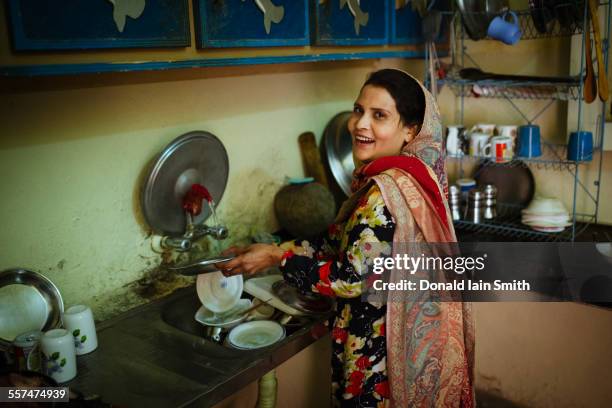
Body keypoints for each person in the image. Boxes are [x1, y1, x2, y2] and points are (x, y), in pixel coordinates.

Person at [217, 69, 475, 407]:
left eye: (379, 115)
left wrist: (277, 260)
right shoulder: (401, 180)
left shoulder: (385, 194)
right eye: (358, 110)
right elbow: (337, 244)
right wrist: (274, 249)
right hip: (387, 339)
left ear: (410, 131)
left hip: (378, 354)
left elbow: (353, 279)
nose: (360, 124)